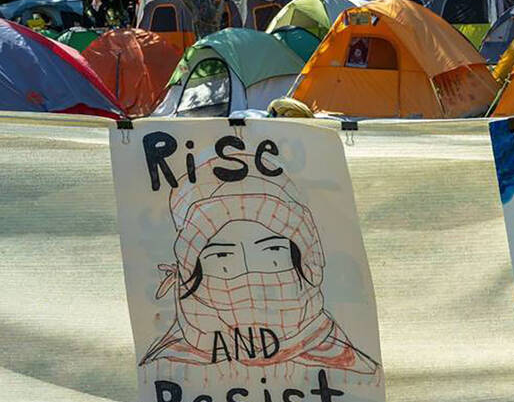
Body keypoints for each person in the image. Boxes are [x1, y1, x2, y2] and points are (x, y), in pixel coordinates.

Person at [139, 150, 379, 377]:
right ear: (190, 271)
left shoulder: (349, 366)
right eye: (222, 258)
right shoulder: (167, 369)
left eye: (272, 252)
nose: (250, 275)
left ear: (307, 261)